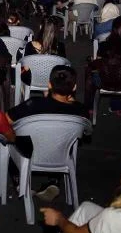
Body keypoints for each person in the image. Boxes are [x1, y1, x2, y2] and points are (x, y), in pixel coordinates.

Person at [7, 65, 88, 202]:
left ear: (49, 84)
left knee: (10, 141)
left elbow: (7, 119)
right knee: (58, 139)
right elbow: (87, 130)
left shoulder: (34, 104)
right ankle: (54, 181)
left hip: (31, 151)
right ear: (74, 88)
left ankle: (19, 182)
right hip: (61, 151)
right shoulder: (81, 111)